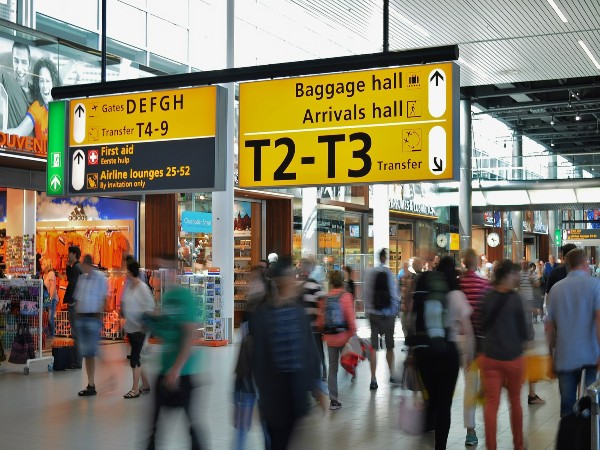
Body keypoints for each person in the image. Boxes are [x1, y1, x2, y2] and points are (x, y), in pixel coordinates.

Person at [248, 262, 325, 449]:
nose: (294, 280)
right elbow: (258, 360)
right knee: (277, 441)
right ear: (281, 282)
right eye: (291, 277)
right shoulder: (263, 315)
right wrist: (257, 398)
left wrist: (317, 386)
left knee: (285, 439)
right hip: (274, 396)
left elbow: (309, 350)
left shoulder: (298, 312)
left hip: (296, 393)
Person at [411, 256, 473, 450]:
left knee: (432, 398)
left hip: (425, 351)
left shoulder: (428, 290)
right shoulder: (456, 294)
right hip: (448, 352)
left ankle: (427, 424)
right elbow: (468, 330)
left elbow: (411, 319)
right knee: (444, 404)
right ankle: (440, 447)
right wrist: (469, 355)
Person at [144, 253, 205, 450]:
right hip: (166, 368)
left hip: (183, 371)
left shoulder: (184, 297)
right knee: (154, 424)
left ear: (176, 272)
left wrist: (176, 369)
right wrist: (151, 320)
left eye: (167, 270)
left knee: (190, 424)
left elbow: (188, 335)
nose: (163, 275)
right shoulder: (167, 297)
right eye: (160, 270)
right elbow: (167, 330)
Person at [545, 247, 600, 417]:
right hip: (590, 355)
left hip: (565, 356)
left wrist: (550, 355)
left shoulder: (556, 289)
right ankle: (588, 440)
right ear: (585, 263)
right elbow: (599, 319)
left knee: (567, 406)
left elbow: (549, 327)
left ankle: (569, 439)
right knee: (590, 404)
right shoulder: (595, 285)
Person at [479, 260, 528, 450]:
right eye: (515, 274)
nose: (517, 277)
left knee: (491, 404)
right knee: (515, 401)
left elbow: (482, 325)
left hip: (490, 357)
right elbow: (524, 332)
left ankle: (491, 446)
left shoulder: (486, 297)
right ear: (507, 276)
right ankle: (519, 445)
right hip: (513, 358)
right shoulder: (515, 299)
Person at [458, 248, 491, 447]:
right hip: (480, 340)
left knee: (469, 385)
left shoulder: (457, 284)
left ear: (463, 263)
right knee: (486, 384)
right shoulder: (484, 284)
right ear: (477, 263)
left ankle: (471, 431)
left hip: (461, 339)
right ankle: (488, 422)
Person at [318, 269, 356, 410]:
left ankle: (333, 400)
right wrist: (353, 334)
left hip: (330, 338)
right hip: (344, 337)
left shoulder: (325, 298)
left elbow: (321, 320)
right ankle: (350, 371)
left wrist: (323, 333)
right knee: (348, 359)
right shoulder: (346, 296)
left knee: (332, 368)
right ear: (342, 281)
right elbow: (350, 318)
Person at [364, 248, 399, 390]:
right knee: (389, 347)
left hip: (373, 314)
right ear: (385, 258)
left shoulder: (370, 273)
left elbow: (367, 293)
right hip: (387, 315)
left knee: (373, 347)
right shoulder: (388, 273)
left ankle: (373, 379)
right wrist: (394, 312)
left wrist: (368, 311)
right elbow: (393, 294)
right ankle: (391, 375)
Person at [74, 254, 109, 397]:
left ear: (88, 264)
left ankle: (110, 376)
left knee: (94, 352)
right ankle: (91, 384)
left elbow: (104, 298)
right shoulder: (82, 278)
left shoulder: (100, 278)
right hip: (82, 318)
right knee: (87, 353)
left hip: (93, 318)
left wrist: (99, 316)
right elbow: (78, 297)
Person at [121, 259, 155, 399]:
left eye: (126, 270)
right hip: (131, 327)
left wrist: (145, 324)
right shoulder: (130, 287)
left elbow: (150, 306)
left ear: (131, 271)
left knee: (135, 359)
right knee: (137, 357)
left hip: (140, 328)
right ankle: (145, 384)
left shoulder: (142, 287)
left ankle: (135, 389)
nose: (125, 273)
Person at [5, 57, 60, 142]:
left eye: (48, 81)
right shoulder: (38, 107)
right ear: (38, 84)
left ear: (54, 83)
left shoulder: (62, 107)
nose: (44, 86)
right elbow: (19, 132)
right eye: (41, 81)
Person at [297, 258, 327, 381]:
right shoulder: (315, 284)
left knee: (304, 351)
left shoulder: (294, 284)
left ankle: (309, 373)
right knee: (318, 350)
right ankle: (321, 371)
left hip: (301, 326)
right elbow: (322, 302)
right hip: (313, 325)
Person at [0, 42, 32, 130]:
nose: (19, 68)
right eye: (16, 61)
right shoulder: (6, 78)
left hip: (38, 143)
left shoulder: (37, 90)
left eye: (24, 62)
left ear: (30, 65)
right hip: (12, 142)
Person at [64, 245, 83, 370]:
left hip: (75, 304)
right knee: (76, 334)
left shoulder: (76, 268)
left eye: (69, 253)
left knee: (76, 334)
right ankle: (77, 361)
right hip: (77, 304)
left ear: (74, 254)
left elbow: (72, 283)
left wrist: (73, 302)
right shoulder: (76, 267)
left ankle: (77, 362)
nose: (68, 255)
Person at [42, 258, 59, 340]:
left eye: (43, 264)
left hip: (51, 298)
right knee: (46, 317)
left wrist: (50, 299)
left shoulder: (51, 273)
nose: (41, 266)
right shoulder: (44, 275)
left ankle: (52, 336)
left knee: (50, 318)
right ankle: (48, 335)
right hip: (46, 298)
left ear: (46, 265)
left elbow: (52, 287)